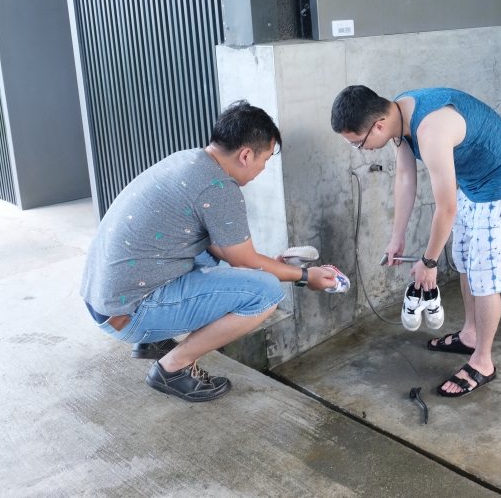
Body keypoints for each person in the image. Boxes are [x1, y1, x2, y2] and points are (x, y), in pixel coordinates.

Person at [81, 101, 339, 402]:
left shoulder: (189, 159)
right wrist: (306, 276)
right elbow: (243, 260)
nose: (262, 169)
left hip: (101, 298)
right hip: (126, 314)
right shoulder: (219, 188)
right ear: (245, 155)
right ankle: (172, 369)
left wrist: (266, 264)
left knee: (215, 255)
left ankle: (154, 341)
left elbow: (232, 253)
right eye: (265, 159)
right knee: (266, 292)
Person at [331, 86, 501, 397]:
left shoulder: (429, 129)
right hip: (472, 185)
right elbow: (404, 177)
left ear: (378, 126)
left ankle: (482, 361)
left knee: (485, 281)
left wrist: (428, 262)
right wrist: (396, 237)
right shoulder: (398, 115)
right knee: (466, 262)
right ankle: (470, 335)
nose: (361, 149)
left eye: (358, 143)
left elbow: (446, 207)